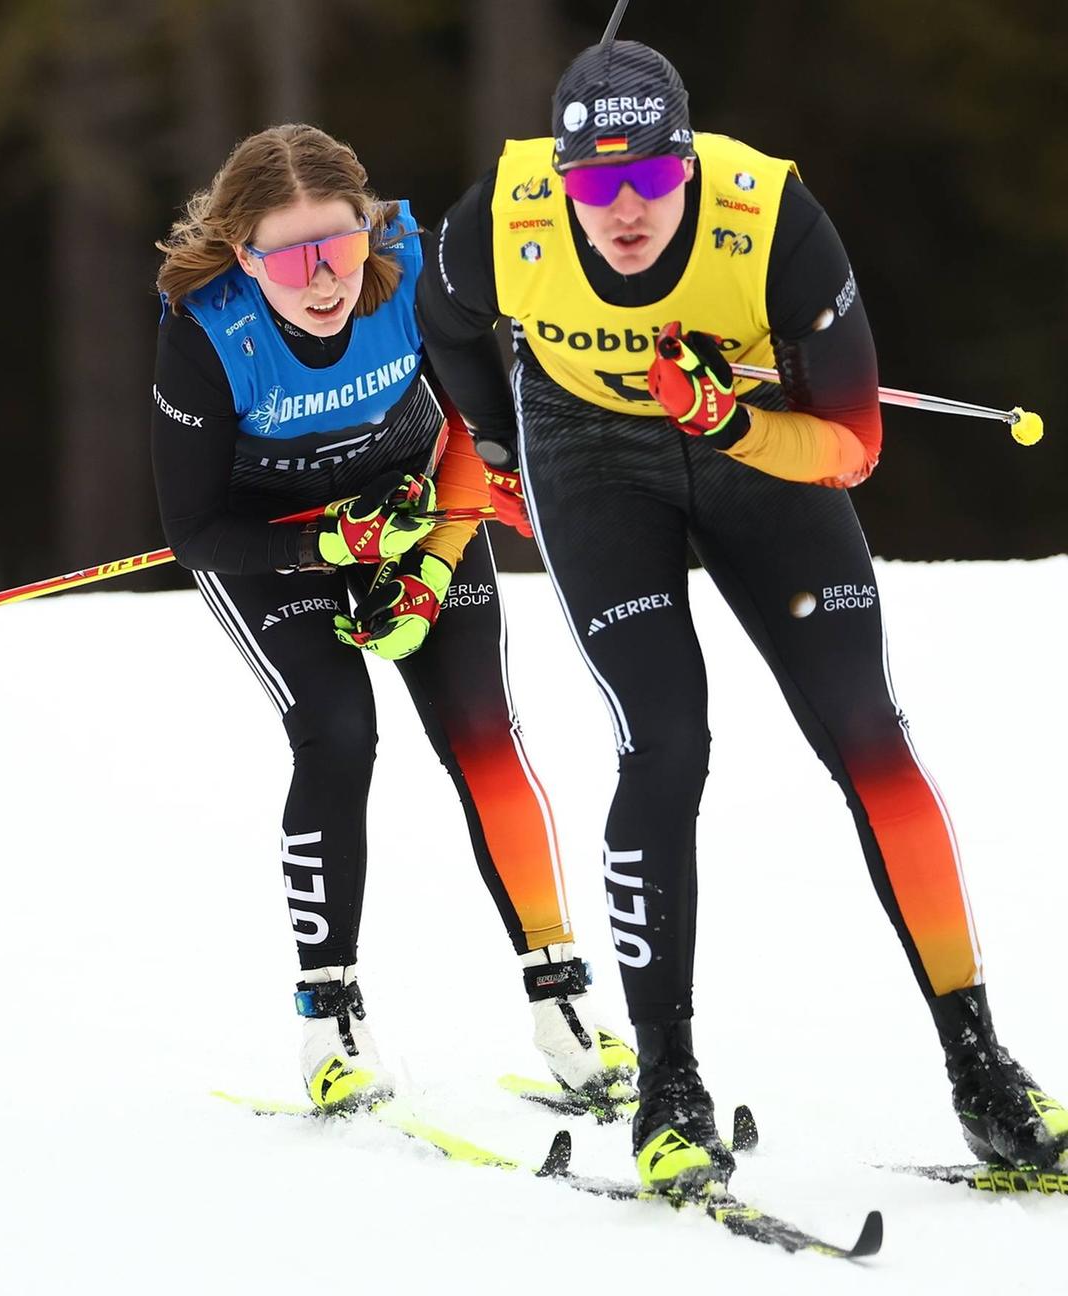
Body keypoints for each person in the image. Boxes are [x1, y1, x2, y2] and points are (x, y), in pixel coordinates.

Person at [416, 40, 1068, 1191]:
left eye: (652, 183)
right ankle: (668, 1087)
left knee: (868, 736)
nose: (624, 211)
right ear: (559, 179)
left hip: (756, 448)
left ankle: (981, 1069)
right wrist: (500, 443)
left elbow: (855, 445)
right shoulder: (503, 215)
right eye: (595, 185)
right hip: (592, 455)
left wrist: (729, 424)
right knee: (665, 740)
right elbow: (447, 318)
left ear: (691, 167)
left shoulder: (773, 220)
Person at [151, 124, 634, 1116]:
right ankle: (329, 1021)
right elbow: (196, 531)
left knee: (483, 735)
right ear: (244, 254)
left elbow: (477, 427)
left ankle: (562, 1002)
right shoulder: (206, 329)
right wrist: (327, 551)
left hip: (417, 507)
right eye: (289, 255)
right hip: (273, 539)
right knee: (338, 734)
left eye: (338, 243)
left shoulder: (414, 269)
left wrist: (435, 557)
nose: (322, 276)